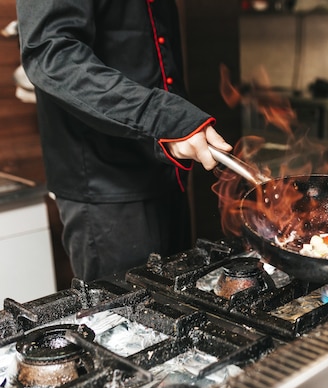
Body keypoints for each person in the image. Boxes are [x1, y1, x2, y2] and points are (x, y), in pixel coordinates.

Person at [16, 0, 233, 282]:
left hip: (168, 171)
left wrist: (173, 126)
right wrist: (166, 117)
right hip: (106, 191)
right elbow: (52, 56)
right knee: (127, 322)